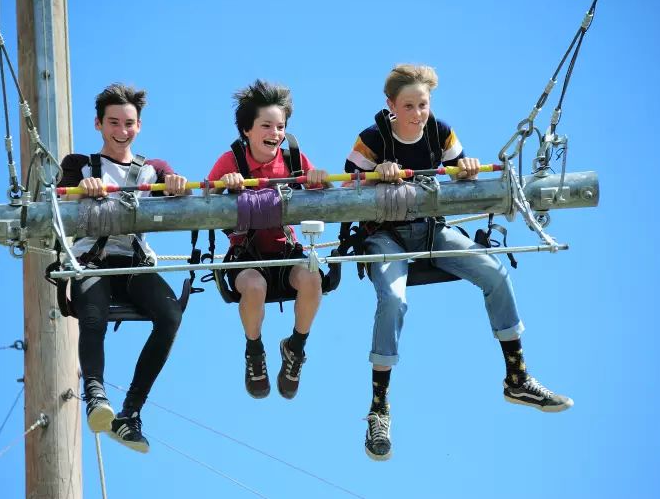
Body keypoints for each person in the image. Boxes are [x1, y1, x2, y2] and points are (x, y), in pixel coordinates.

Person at [344, 64, 573, 461]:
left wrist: (467, 170)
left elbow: (460, 180)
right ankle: (379, 408)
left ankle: (516, 377)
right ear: (391, 106)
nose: (418, 113)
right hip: (386, 235)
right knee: (394, 301)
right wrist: (376, 176)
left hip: (431, 229)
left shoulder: (440, 132)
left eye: (423, 104)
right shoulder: (371, 140)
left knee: (495, 272)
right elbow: (345, 192)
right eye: (409, 106)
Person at [58, 83, 188, 453]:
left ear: (139, 126)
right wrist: (82, 188)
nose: (122, 131)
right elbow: (53, 202)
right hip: (93, 262)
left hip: (133, 264)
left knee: (170, 316)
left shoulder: (153, 170)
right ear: (98, 124)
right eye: (113, 122)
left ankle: (130, 413)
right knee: (93, 315)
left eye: (129, 123)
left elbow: (186, 197)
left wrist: (178, 187)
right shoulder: (78, 165)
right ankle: (96, 395)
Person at [208, 79, 329, 400]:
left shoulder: (292, 158)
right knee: (254, 287)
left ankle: (295, 348)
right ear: (247, 130)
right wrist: (225, 185)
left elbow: (323, 193)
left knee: (313, 279)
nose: (275, 133)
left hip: (286, 251)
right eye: (266, 126)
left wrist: (317, 180)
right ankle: (254, 351)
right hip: (246, 256)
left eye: (280, 126)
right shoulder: (230, 161)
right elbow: (204, 200)